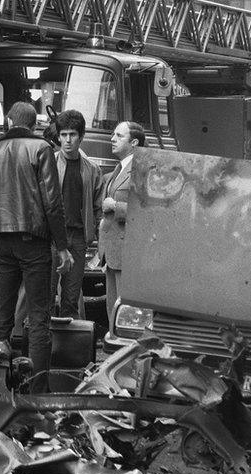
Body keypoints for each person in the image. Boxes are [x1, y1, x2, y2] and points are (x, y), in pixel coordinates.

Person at [0, 102, 72, 394]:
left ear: (8, 121)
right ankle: (36, 392)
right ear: (33, 124)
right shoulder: (41, 148)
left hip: (1, 239)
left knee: (2, 315)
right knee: (38, 317)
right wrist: (63, 246)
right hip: (34, 241)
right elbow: (52, 202)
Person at [52, 110, 103, 318]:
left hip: (78, 237)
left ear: (81, 137)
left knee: (71, 298)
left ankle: (67, 346)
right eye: (63, 135)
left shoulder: (91, 169)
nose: (67, 140)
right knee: (45, 295)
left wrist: (101, 243)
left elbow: (98, 209)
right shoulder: (49, 163)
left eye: (72, 134)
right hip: (53, 238)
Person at [100, 121, 143, 328]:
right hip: (112, 252)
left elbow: (145, 210)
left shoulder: (139, 169)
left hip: (127, 252)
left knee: (125, 311)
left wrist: (115, 206)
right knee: (113, 308)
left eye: (119, 135)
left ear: (134, 142)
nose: (112, 139)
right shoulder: (119, 168)